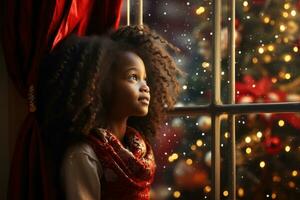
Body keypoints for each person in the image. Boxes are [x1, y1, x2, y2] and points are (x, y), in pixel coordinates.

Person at [36, 25, 183, 200]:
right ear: (101, 86)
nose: (145, 87)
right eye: (133, 77)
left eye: (145, 79)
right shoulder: (84, 155)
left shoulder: (140, 152)